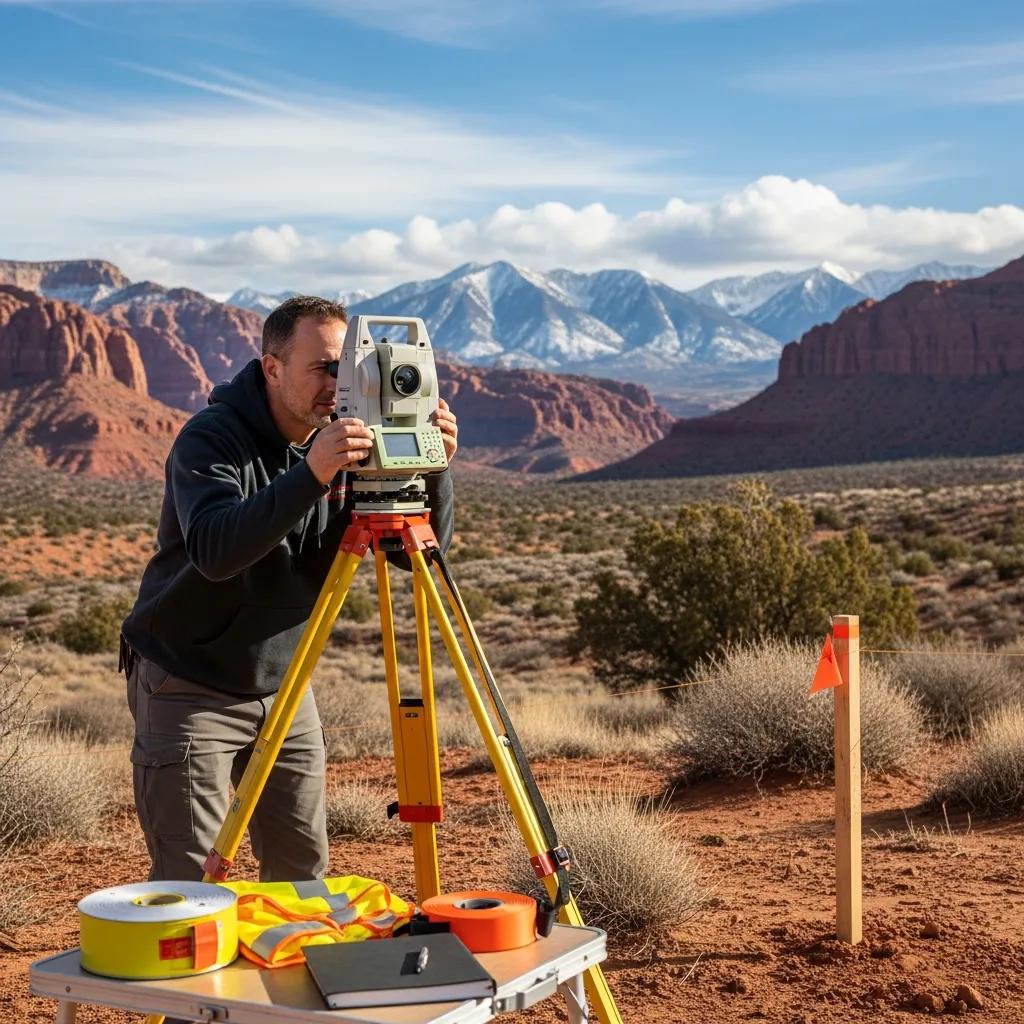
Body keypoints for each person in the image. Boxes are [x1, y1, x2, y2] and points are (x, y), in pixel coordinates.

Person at [120, 295, 457, 883]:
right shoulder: (211, 439)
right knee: (191, 880)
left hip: (285, 684)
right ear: (272, 368)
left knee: (302, 871)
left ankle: (288, 970)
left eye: (347, 367)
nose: (338, 383)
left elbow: (412, 556)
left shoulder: (346, 436)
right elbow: (216, 552)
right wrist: (312, 475)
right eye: (324, 367)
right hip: (189, 682)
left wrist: (435, 468)